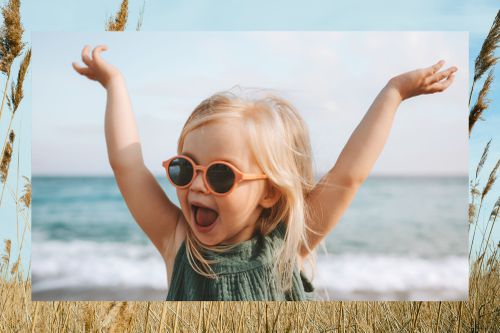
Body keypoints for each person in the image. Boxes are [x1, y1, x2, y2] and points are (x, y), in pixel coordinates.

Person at [72, 44, 457, 301]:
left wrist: (394, 92)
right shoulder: (178, 244)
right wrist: (114, 83)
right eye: (184, 168)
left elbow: (349, 174)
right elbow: (126, 165)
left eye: (222, 175)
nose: (198, 185)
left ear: (270, 192)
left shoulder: (288, 246)